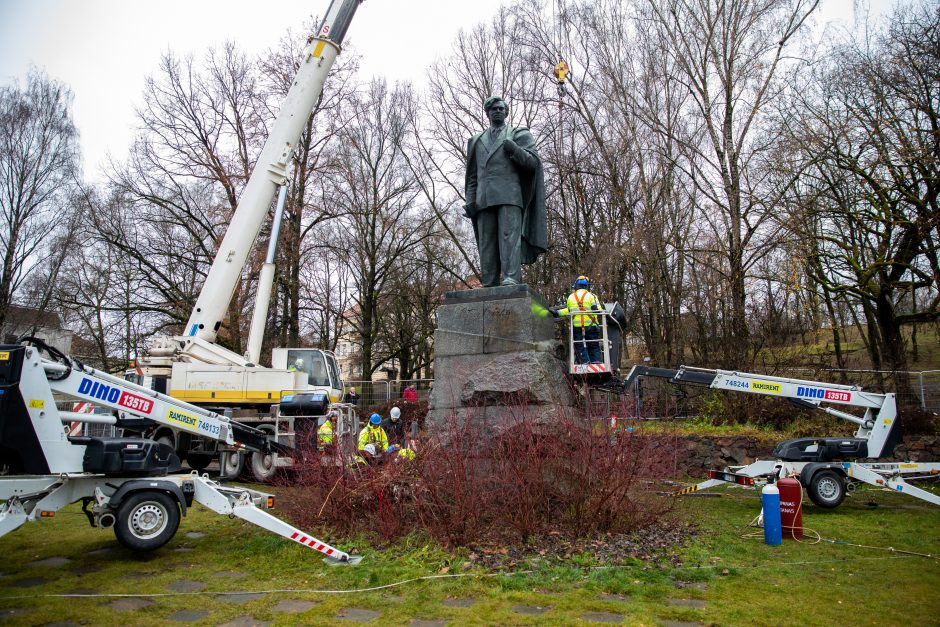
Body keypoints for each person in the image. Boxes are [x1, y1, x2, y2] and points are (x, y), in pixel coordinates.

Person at [464, 96, 547, 287]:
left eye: (501, 108)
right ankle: (489, 280)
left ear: (506, 111)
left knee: (509, 238)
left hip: (510, 195)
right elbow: (473, 176)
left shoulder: (518, 134)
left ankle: (511, 277)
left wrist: (515, 149)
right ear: (488, 113)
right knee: (487, 242)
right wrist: (470, 199)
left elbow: (533, 164)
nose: (498, 111)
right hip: (483, 199)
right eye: (493, 109)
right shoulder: (476, 140)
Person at [555, 275, 604, 364]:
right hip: (591, 326)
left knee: (579, 345)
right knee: (593, 345)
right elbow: (597, 310)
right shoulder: (591, 296)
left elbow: (569, 310)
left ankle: (584, 362)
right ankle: (596, 361)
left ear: (576, 285)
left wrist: (557, 312)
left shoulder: (571, 297)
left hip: (577, 327)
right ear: (587, 286)